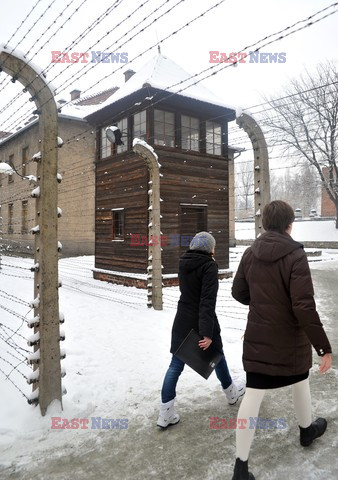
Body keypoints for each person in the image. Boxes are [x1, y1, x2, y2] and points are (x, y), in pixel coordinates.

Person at [231, 200, 332, 480]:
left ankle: (241, 467)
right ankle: (306, 431)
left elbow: (238, 292)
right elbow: (303, 306)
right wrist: (323, 348)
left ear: (264, 223)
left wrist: (263, 303)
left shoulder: (250, 253)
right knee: (300, 379)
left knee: (253, 393)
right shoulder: (296, 255)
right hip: (290, 339)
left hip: (258, 337)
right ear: (290, 225)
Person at [157, 231, 245, 429]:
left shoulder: (184, 262)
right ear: (209, 249)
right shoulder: (209, 266)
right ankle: (231, 393)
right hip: (202, 321)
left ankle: (165, 413)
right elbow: (207, 301)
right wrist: (206, 332)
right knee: (217, 355)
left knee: (175, 366)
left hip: (182, 319)